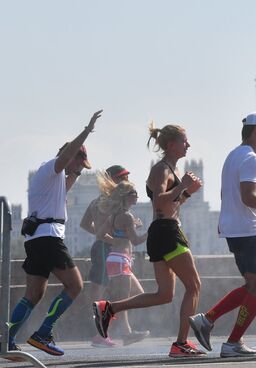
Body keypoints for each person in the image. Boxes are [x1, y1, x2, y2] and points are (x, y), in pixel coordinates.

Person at [93, 122, 205, 358]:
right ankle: (181, 344)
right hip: (167, 232)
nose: (189, 145)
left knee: (164, 295)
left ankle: (109, 308)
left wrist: (186, 192)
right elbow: (158, 202)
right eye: (185, 141)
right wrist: (182, 187)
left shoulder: (169, 169)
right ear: (172, 145)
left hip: (162, 231)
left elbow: (170, 204)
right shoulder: (161, 169)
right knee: (194, 286)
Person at [188, 111, 256, 358]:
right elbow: (248, 196)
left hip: (234, 230)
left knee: (252, 285)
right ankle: (233, 342)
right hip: (249, 231)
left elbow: (235, 194)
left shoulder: (234, 155)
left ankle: (207, 320)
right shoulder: (251, 159)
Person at [6, 110, 102, 357]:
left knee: (33, 294)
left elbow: (65, 187)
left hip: (37, 239)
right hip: (48, 238)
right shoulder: (52, 167)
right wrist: (87, 130)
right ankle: (43, 333)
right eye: (78, 164)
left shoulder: (53, 178)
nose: (78, 169)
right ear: (69, 156)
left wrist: (77, 173)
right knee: (75, 285)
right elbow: (68, 154)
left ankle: (6, 339)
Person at [94, 173, 150, 346]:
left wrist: (118, 240)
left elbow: (101, 234)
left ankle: (110, 322)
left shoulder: (115, 216)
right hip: (120, 261)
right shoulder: (126, 216)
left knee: (138, 295)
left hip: (117, 259)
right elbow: (136, 241)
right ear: (126, 197)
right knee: (123, 299)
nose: (137, 196)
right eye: (134, 193)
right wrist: (151, 231)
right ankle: (126, 333)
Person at [80, 164, 131, 348]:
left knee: (121, 292)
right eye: (122, 177)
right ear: (112, 180)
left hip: (108, 249)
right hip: (105, 249)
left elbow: (85, 224)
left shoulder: (100, 200)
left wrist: (101, 235)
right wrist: (107, 238)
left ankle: (125, 332)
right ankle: (98, 335)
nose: (125, 180)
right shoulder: (107, 201)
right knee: (98, 293)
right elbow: (94, 226)